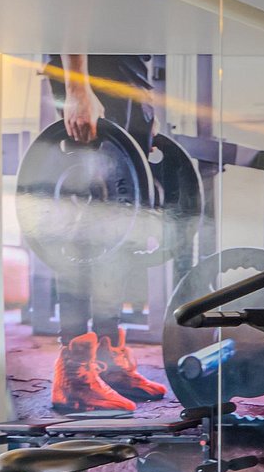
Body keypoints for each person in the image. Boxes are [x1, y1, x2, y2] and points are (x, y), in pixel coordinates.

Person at [40, 53, 168, 413]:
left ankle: (108, 362)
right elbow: (72, 20)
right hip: (94, 77)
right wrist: (77, 88)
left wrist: (144, 107)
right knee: (83, 229)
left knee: (119, 231)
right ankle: (74, 376)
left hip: (128, 82)